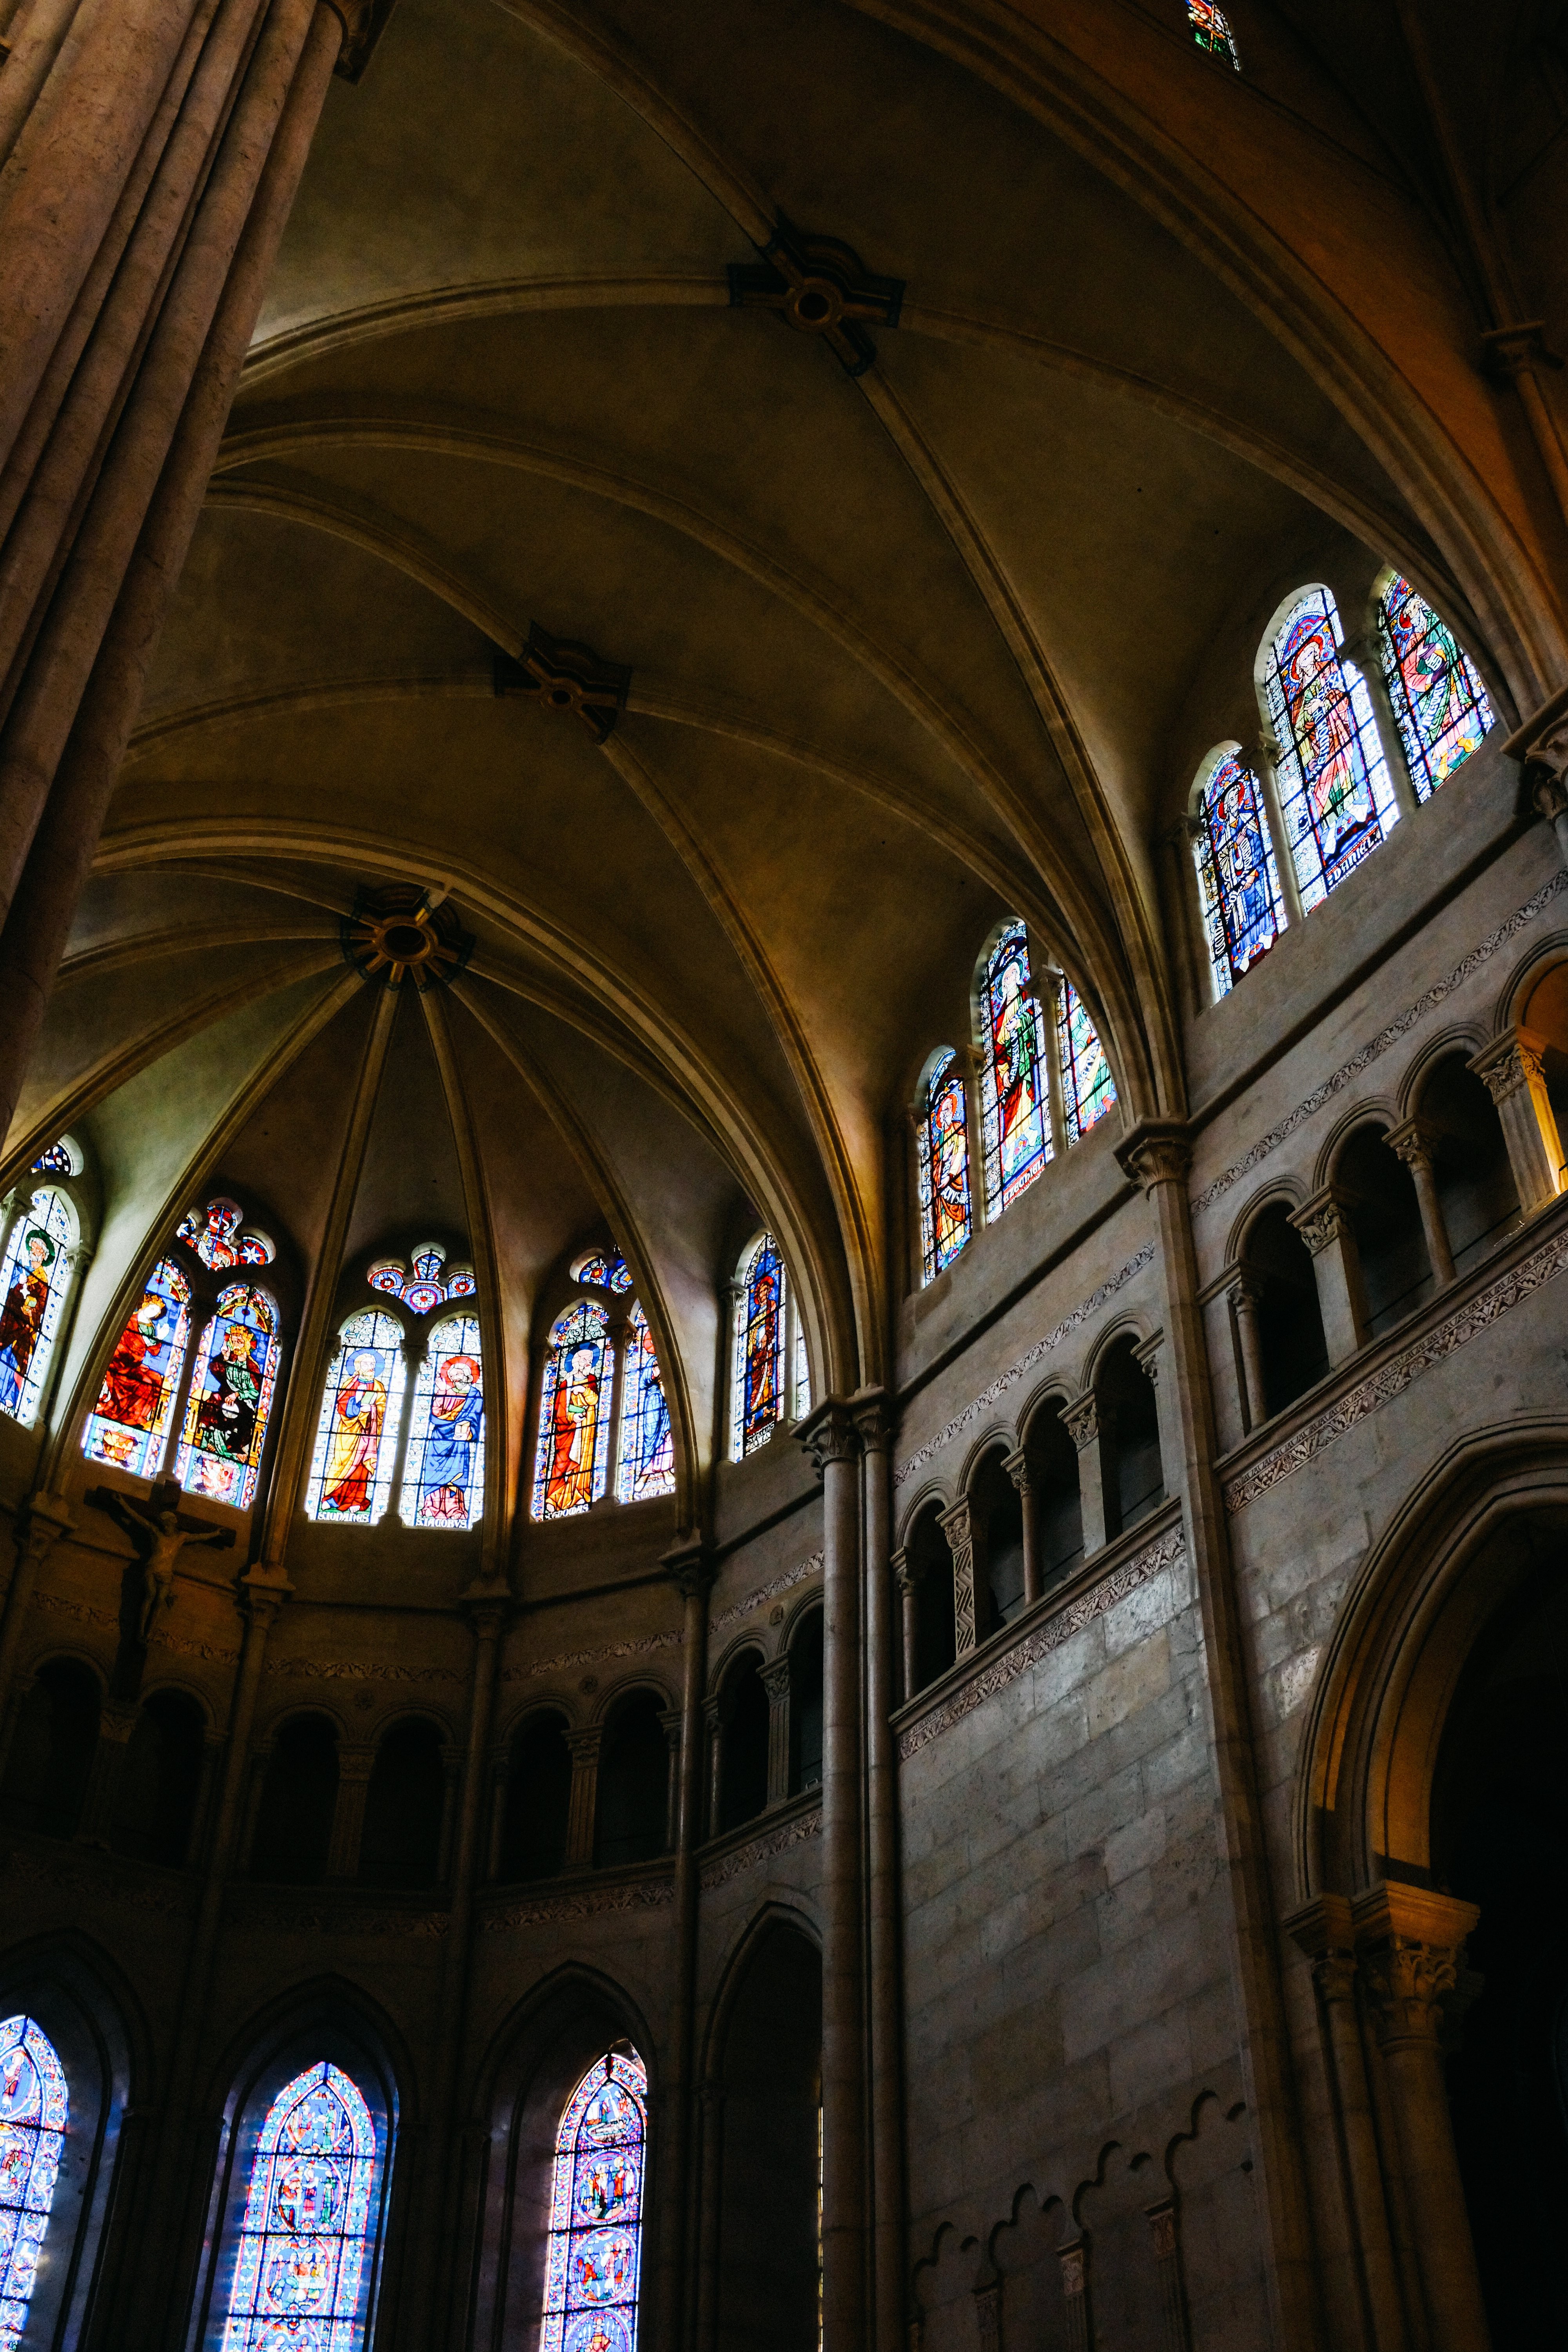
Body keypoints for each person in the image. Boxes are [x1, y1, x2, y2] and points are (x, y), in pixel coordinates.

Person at [84, 1487, 234, 1640]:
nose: (165, 1526)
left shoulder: (181, 1538)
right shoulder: (155, 1532)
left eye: (167, 1523)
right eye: (163, 1524)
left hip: (167, 1574)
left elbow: (200, 1537)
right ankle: (140, 1632)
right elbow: (137, 1518)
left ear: (172, 1523)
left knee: (160, 1602)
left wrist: (215, 1534)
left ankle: (149, 1634)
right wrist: (122, 1503)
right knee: (150, 1595)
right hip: (153, 1568)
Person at [320, 1348, 388, 1515]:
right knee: (342, 1463)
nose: (371, 1366)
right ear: (359, 1367)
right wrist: (356, 1405)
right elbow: (342, 1405)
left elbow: (382, 1408)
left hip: (369, 1433)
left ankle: (357, 1501)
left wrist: (371, 1409)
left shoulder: (379, 1386)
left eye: (373, 1364)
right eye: (368, 1364)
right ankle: (332, 1498)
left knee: (362, 1468)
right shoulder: (349, 1384)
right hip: (349, 1432)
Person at [419, 1350, 483, 1523]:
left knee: (456, 1475)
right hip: (439, 1439)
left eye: (459, 1375)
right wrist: (441, 1393)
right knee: (435, 1473)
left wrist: (468, 1430)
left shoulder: (474, 1395)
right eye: (452, 1376)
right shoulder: (445, 1392)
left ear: (468, 1376)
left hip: (459, 1441)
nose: (456, 1379)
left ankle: (455, 1508)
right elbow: (436, 1414)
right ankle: (432, 1507)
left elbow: (475, 1417)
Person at [0, 1225, 54, 1418]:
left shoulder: (42, 1280)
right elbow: (11, 1293)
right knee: (3, 1354)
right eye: (33, 1249)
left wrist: (29, 1309)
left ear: (44, 1256)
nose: (35, 1253)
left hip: (25, 1328)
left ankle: (9, 1398)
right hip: (9, 1321)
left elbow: (40, 1305)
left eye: (39, 1251)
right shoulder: (22, 1271)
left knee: (15, 1361)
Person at [546, 1341, 599, 1513]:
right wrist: (572, 1417)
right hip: (567, 1430)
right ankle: (554, 1499)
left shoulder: (591, 1380)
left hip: (586, 1428)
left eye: (590, 1360)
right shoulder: (565, 1384)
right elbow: (559, 1410)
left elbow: (594, 1401)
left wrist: (584, 1391)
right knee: (562, 1462)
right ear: (575, 1362)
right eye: (584, 1359)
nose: (587, 1363)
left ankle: (580, 1493)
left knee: (584, 1462)